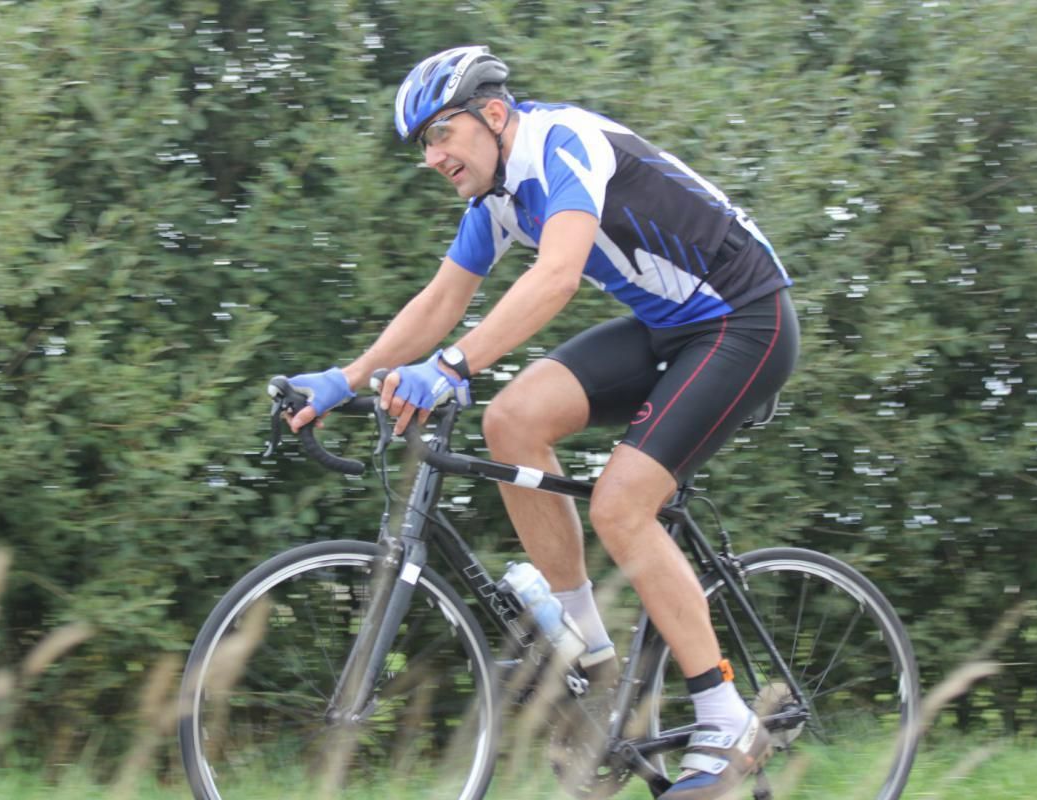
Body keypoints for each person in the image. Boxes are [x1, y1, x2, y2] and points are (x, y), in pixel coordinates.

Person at [282, 45, 799, 800]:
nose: (431, 158)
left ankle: (726, 719)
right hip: (669, 329)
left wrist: (450, 368)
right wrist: (343, 378)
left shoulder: (564, 144)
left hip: (746, 320)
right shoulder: (493, 201)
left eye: (440, 134)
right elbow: (441, 299)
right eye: (422, 145)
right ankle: (595, 662)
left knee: (623, 502)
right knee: (514, 418)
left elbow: (556, 274)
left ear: (493, 116)